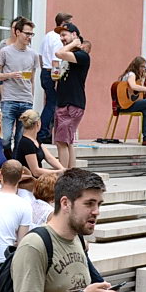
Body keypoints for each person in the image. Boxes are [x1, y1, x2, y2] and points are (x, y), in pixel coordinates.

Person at [0, 17, 38, 154]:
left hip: (26, 100)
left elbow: (32, 79)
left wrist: (31, 98)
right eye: (27, 33)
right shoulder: (5, 51)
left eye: (31, 34)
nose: (29, 37)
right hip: (9, 99)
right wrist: (10, 75)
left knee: (21, 141)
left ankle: (15, 165)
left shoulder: (34, 54)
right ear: (17, 32)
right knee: (5, 138)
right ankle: (5, 162)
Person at [54, 22, 90, 169]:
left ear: (74, 35)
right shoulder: (69, 57)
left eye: (64, 35)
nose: (61, 38)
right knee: (65, 142)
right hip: (63, 102)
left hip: (72, 104)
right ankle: (70, 173)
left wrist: (74, 43)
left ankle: (62, 174)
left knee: (62, 141)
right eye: (60, 36)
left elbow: (59, 53)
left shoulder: (82, 56)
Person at [37, 12, 72, 144]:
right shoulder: (58, 38)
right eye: (69, 23)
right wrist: (56, 78)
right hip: (53, 72)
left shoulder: (48, 36)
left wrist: (44, 70)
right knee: (52, 104)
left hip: (45, 71)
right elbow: (56, 59)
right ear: (63, 23)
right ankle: (43, 133)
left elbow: (40, 55)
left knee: (50, 102)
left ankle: (45, 132)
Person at [14, 109, 64, 178]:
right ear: (38, 123)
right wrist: (58, 172)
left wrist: (62, 169)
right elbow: (35, 171)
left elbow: (49, 158)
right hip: (29, 180)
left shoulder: (36, 139)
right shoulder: (26, 143)